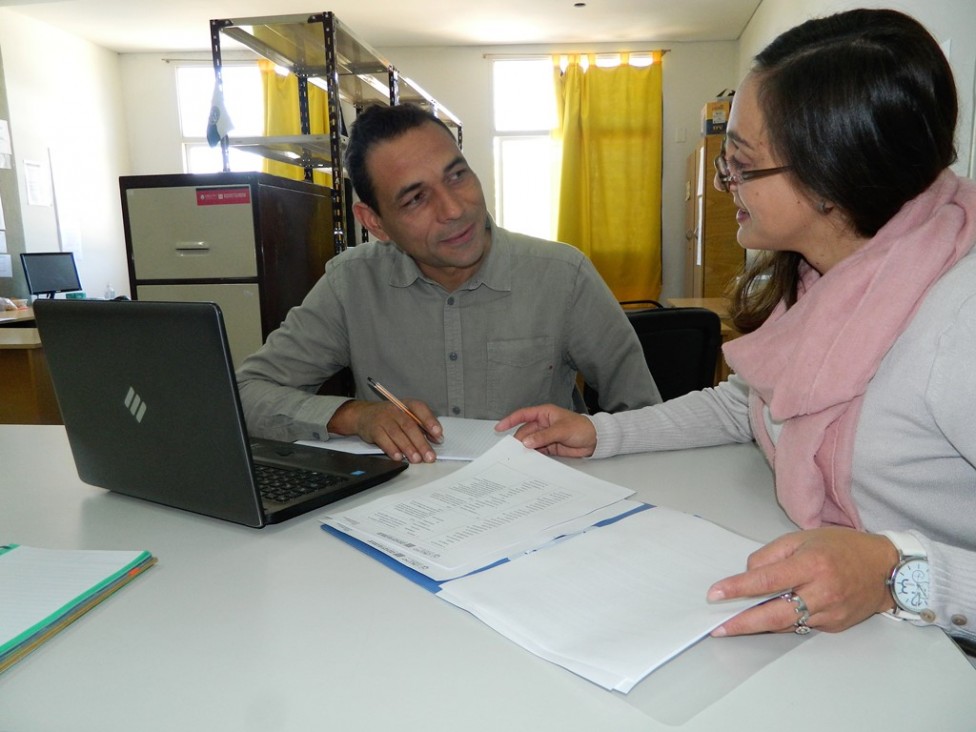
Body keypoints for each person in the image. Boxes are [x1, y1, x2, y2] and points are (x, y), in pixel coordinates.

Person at [497, 8, 976, 653]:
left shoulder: (959, 321)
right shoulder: (829, 274)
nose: (726, 184)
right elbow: (753, 400)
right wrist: (602, 431)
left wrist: (899, 574)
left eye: (743, 165)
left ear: (834, 173)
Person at [237, 103, 660, 464]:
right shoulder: (351, 284)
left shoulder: (562, 275)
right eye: (416, 198)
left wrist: (591, 435)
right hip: (403, 516)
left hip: (542, 505)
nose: (455, 209)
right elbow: (246, 394)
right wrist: (354, 416)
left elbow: (646, 416)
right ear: (375, 222)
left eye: (457, 176)